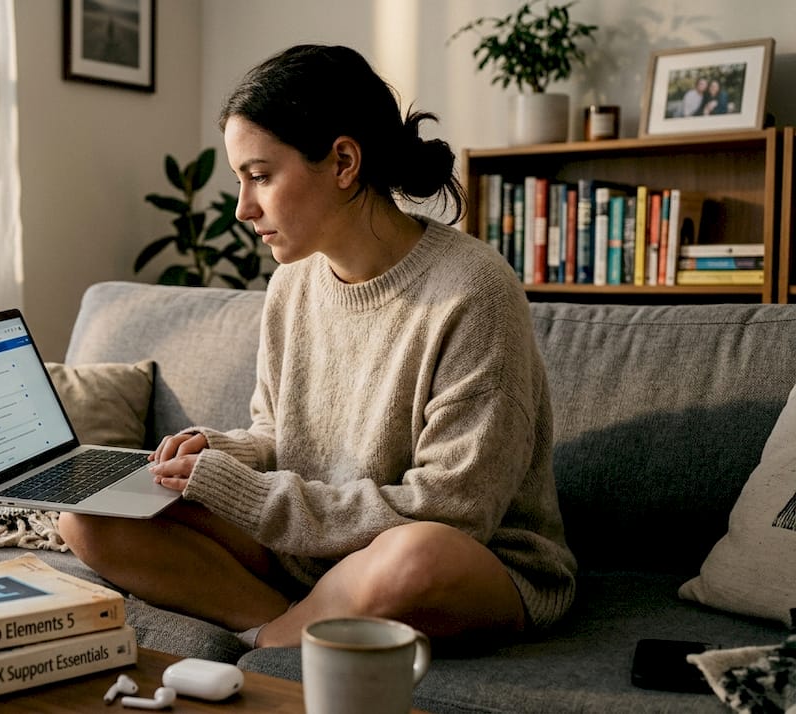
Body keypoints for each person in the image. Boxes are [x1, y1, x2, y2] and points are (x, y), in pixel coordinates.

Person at [58, 44, 577, 649]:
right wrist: (216, 455)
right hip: (313, 555)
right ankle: (280, 627)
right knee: (91, 515)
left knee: (416, 556)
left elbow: (453, 512)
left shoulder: (474, 290)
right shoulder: (292, 284)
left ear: (343, 162)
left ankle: (283, 636)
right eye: (239, 180)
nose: (243, 208)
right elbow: (278, 436)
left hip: (472, 562)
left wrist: (246, 493)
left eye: (260, 176)